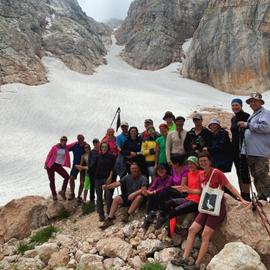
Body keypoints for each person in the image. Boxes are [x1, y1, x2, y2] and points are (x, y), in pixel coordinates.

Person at [171, 151, 249, 270]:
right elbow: (203, 191)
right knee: (192, 230)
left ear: (210, 161)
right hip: (206, 207)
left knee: (205, 235)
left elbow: (230, 186)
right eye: (201, 161)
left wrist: (241, 199)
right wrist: (188, 190)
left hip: (217, 209)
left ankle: (197, 265)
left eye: (205, 161)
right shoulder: (201, 174)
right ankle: (184, 258)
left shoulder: (217, 173)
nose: (203, 163)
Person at [239, 92, 270, 200]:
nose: (253, 103)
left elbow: (266, 127)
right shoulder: (254, 114)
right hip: (252, 152)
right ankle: (262, 196)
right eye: (251, 101)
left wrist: (247, 125)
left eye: (255, 101)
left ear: (260, 102)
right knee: (256, 175)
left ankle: (266, 196)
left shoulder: (265, 113)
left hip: (260, 151)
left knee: (262, 174)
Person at [100, 163, 148, 229]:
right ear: (130, 169)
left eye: (135, 168)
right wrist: (107, 187)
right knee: (116, 198)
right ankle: (110, 219)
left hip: (139, 198)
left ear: (139, 169)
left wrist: (133, 194)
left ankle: (127, 216)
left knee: (139, 197)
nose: (134, 170)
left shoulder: (143, 178)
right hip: (129, 196)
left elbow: (143, 189)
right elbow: (118, 183)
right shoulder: (127, 177)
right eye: (132, 168)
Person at [155, 154, 189, 229]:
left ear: (176, 163)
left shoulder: (185, 170)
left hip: (183, 192)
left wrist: (170, 188)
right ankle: (162, 213)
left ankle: (162, 213)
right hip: (174, 190)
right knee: (164, 191)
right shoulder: (173, 169)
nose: (170, 163)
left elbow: (182, 186)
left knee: (165, 190)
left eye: (171, 162)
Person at [165, 156, 202, 225]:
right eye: (188, 163)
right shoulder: (189, 174)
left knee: (173, 212)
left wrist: (189, 190)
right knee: (168, 203)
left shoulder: (201, 173)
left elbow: (202, 191)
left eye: (192, 163)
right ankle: (175, 225)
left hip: (196, 201)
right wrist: (183, 189)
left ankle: (169, 234)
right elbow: (185, 187)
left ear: (197, 164)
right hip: (188, 198)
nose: (190, 165)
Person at [230, 98, 251, 201]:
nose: (234, 107)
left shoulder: (247, 116)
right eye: (233, 105)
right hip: (234, 149)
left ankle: (247, 196)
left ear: (241, 106)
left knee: (245, 172)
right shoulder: (233, 119)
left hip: (243, 148)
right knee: (239, 172)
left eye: (237, 105)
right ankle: (242, 195)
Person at [44, 136, 76, 201]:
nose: (64, 142)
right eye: (62, 140)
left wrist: (79, 141)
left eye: (65, 141)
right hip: (51, 165)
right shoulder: (55, 147)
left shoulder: (66, 147)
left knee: (67, 177)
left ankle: (63, 191)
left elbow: (73, 144)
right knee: (52, 180)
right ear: (60, 141)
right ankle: (54, 195)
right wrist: (45, 164)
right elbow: (49, 155)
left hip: (58, 166)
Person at [141, 164, 173, 230]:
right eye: (158, 170)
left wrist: (154, 191)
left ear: (166, 170)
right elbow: (153, 187)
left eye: (162, 169)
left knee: (161, 192)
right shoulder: (157, 179)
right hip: (156, 197)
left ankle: (152, 214)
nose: (160, 171)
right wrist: (148, 191)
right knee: (150, 195)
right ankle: (148, 215)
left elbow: (166, 187)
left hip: (165, 197)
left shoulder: (170, 178)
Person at [92, 142, 116, 221]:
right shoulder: (97, 157)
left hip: (107, 178)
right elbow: (92, 167)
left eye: (106, 147)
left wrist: (110, 177)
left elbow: (113, 168)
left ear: (108, 148)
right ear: (100, 148)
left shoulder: (112, 157)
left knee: (108, 196)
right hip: (98, 179)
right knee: (99, 197)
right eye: (103, 147)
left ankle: (110, 213)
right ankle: (101, 215)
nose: (104, 148)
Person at [68, 134, 86, 202]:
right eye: (79, 138)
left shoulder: (86, 146)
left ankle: (79, 196)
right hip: (75, 165)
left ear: (83, 138)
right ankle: (72, 193)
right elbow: (66, 149)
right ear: (77, 139)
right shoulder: (75, 145)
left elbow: (89, 154)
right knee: (71, 178)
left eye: (81, 138)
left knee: (82, 182)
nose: (80, 139)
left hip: (83, 166)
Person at [87, 138, 100, 203]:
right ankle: (92, 200)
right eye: (94, 143)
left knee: (99, 185)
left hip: (100, 171)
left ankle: (99, 199)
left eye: (97, 142)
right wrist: (89, 170)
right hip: (92, 171)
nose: (96, 144)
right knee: (92, 186)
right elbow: (89, 162)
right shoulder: (92, 152)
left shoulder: (101, 151)